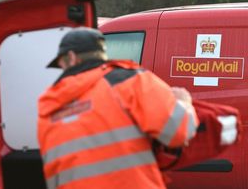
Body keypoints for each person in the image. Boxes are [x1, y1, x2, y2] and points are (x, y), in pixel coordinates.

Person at [37, 27, 199, 189]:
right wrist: (184, 103)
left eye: (61, 64)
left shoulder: (48, 109)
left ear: (71, 58)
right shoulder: (129, 82)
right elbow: (178, 131)